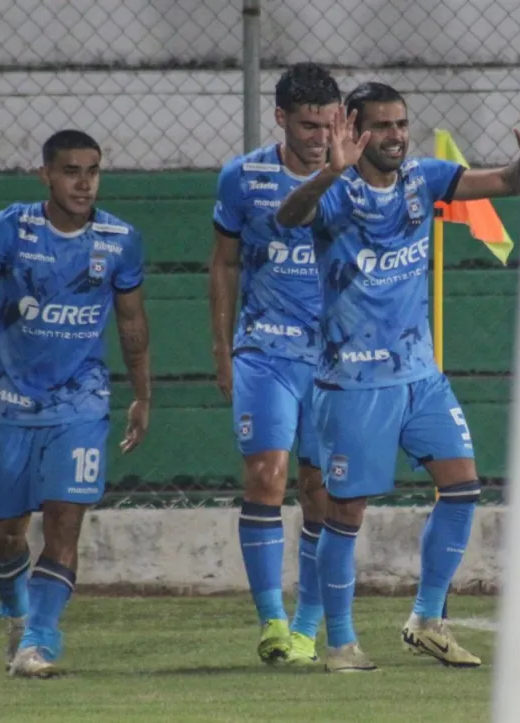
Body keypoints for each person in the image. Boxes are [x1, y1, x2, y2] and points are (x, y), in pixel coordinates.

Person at [276, 81, 520, 672]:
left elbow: (510, 182)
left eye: (401, 124)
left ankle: (426, 619)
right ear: (355, 131)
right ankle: (339, 641)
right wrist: (327, 172)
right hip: (354, 382)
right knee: (346, 514)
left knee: (463, 484)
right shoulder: (334, 193)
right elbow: (289, 217)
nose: (395, 136)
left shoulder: (425, 179)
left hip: (420, 374)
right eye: (382, 126)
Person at [0, 129, 151, 678]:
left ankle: (39, 642)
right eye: (70, 171)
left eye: (93, 171)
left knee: (64, 522)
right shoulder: (8, 229)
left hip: (82, 403)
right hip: (12, 406)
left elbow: (131, 322)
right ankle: (16, 611)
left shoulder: (119, 239)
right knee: (7, 533)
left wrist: (142, 395)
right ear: (46, 175)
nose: (84, 183)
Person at [210, 62, 340, 666]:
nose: (319, 137)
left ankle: (310, 623)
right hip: (264, 349)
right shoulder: (243, 178)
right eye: (308, 125)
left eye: (329, 124)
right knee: (267, 474)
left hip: (335, 354)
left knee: (323, 487)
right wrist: (222, 350)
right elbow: (224, 263)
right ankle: (272, 619)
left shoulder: (356, 176)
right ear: (282, 118)